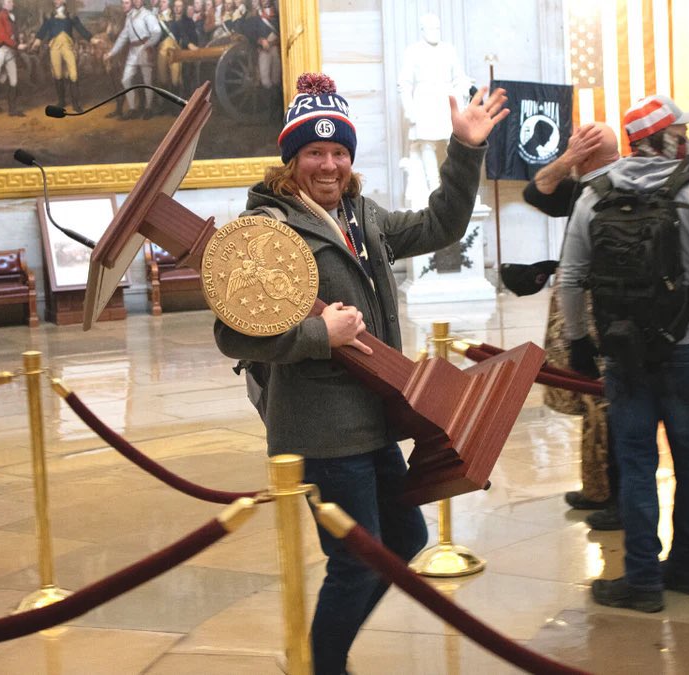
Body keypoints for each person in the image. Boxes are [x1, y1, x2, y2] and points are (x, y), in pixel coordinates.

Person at [213, 72, 508, 675]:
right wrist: (322, 334)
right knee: (356, 559)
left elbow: (439, 226)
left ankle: (321, 655)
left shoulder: (360, 215)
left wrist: (466, 149)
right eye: (315, 152)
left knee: (402, 542)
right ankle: (321, 666)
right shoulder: (266, 233)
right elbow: (233, 334)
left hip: (372, 419)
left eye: (339, 152)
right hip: (320, 428)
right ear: (291, 160)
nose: (329, 164)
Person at [557, 95, 689, 613]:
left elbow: (572, 277)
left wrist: (580, 341)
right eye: (682, 132)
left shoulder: (594, 194)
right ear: (667, 139)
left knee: (636, 462)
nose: (688, 139)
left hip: (624, 353)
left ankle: (643, 579)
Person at [519, 122, 625, 531]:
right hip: (581, 306)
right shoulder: (584, 186)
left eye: (575, 147)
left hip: (603, 312)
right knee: (591, 401)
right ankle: (597, 488)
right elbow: (536, 191)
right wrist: (569, 161)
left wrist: (570, 159)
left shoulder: (614, 185)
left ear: (588, 155)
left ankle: (617, 496)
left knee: (606, 403)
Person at [397, 14, 472, 207]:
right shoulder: (413, 51)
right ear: (422, 30)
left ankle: (452, 183)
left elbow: (459, 77)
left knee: (452, 142)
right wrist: (409, 109)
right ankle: (433, 186)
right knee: (427, 144)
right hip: (424, 101)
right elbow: (404, 83)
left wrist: (463, 92)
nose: (434, 33)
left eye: (437, 29)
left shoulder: (449, 50)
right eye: (430, 29)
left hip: (446, 100)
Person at [31, 0, 99, 114]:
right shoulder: (49, 17)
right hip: (54, 47)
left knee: (73, 74)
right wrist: (37, 41)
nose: (55, 1)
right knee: (57, 73)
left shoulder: (71, 16)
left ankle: (76, 104)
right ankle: (61, 101)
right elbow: (43, 30)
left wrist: (92, 39)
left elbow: (81, 28)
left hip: (68, 46)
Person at [104, 0, 162, 119]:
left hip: (145, 49)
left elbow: (157, 32)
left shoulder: (148, 15)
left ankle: (148, 108)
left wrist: (148, 45)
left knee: (147, 81)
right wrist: (111, 53)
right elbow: (123, 37)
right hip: (133, 51)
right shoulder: (129, 17)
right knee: (126, 80)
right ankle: (132, 109)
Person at [0, 0, 27, 119]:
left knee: (13, 80)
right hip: (0, 51)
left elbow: (14, 34)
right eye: (9, 2)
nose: (12, 3)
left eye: (12, 2)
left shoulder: (12, 17)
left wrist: (19, 43)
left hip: (11, 52)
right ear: (3, 4)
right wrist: (17, 45)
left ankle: (12, 110)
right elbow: (2, 36)